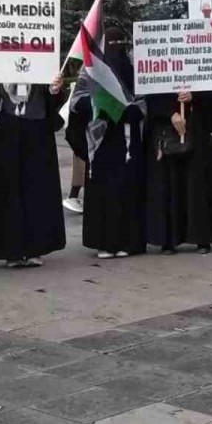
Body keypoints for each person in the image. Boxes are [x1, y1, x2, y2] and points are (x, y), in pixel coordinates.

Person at [68, 28, 147, 259]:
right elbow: (77, 103)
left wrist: (126, 109)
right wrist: (99, 105)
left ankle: (128, 242)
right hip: (100, 141)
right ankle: (104, 242)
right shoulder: (91, 71)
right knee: (103, 191)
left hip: (127, 142)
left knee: (127, 189)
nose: (116, 50)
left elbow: (143, 103)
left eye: (119, 44)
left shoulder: (135, 71)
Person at [0, 73, 67, 268]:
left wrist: (55, 89)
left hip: (37, 133)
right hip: (4, 135)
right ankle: (12, 250)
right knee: (7, 192)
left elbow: (53, 102)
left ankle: (36, 247)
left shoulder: (42, 66)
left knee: (37, 190)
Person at [146, 85, 212, 255]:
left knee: (197, 185)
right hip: (167, 130)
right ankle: (169, 239)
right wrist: (170, 113)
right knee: (169, 184)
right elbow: (150, 91)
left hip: (196, 127)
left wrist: (194, 96)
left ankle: (201, 237)